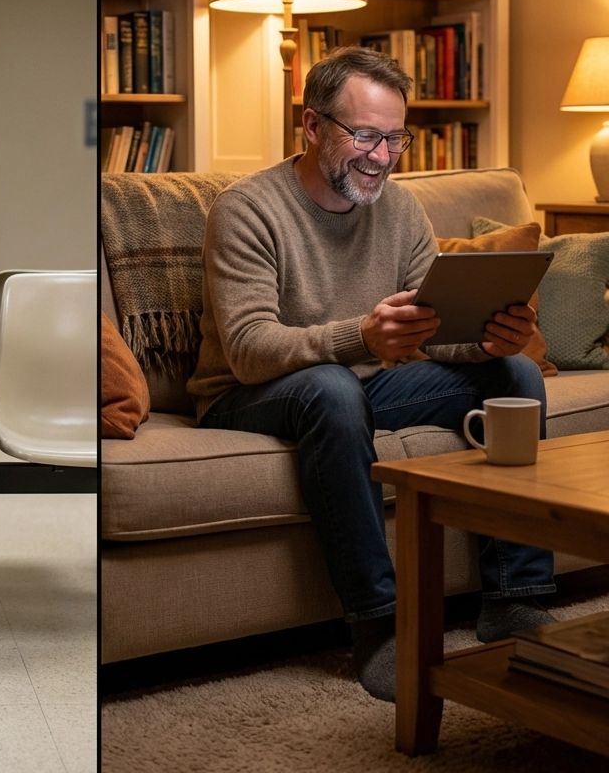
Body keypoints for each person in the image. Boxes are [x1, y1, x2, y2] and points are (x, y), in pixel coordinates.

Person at [187, 47, 556, 702]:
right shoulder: (246, 209)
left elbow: (435, 334)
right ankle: (380, 626)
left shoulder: (401, 210)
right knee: (331, 388)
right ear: (311, 127)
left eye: (394, 139)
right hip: (246, 395)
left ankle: (516, 595)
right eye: (364, 136)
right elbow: (246, 349)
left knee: (515, 376)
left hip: (360, 386)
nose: (381, 157)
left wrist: (489, 337)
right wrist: (360, 334)